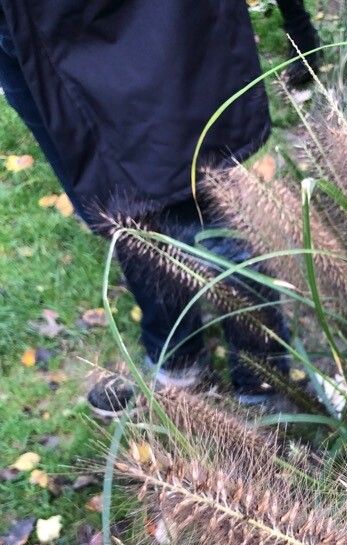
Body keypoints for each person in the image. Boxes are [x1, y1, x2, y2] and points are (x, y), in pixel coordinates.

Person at [0, 0, 321, 413]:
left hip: (149, 21)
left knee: (201, 201)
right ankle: (179, 359)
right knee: (117, 201)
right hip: (27, 29)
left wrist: (297, 22)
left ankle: (264, 387)